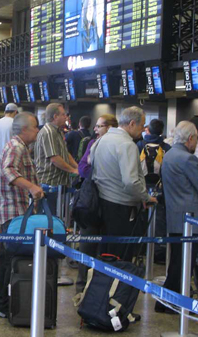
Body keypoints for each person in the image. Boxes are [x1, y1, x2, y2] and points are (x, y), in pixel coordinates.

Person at [156, 121, 198, 313]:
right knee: (184, 263)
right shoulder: (187, 159)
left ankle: (166, 302)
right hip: (190, 219)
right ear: (190, 138)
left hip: (175, 216)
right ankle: (171, 303)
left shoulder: (168, 156)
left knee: (177, 262)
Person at [0, 112, 43, 319]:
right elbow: (9, 170)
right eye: (35, 127)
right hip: (13, 211)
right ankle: (3, 304)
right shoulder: (16, 147)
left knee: (6, 258)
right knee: (8, 259)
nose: (38, 130)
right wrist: (32, 187)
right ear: (24, 130)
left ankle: (4, 302)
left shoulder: (19, 145)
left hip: (14, 210)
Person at [91, 106, 155, 261]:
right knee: (120, 255)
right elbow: (130, 182)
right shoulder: (127, 145)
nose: (143, 130)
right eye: (142, 125)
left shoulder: (101, 140)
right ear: (132, 123)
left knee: (105, 253)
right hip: (121, 207)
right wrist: (146, 197)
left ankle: (105, 284)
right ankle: (119, 285)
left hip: (101, 202)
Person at [75, 113, 118, 292]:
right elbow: (82, 168)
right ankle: (82, 285)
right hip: (92, 201)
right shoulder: (92, 144)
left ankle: (102, 290)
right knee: (87, 244)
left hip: (113, 203)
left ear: (110, 128)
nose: (95, 129)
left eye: (99, 126)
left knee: (107, 248)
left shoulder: (120, 146)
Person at [34, 103, 79, 214]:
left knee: (54, 217)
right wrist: (73, 170)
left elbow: (65, 153)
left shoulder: (57, 131)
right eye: (63, 114)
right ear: (55, 116)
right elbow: (54, 158)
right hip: (48, 183)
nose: (66, 117)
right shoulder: (49, 132)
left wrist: (78, 167)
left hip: (57, 183)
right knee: (47, 219)